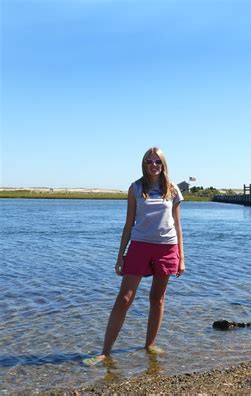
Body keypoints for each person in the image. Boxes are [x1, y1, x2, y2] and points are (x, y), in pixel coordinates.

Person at [84, 147, 184, 365]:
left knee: (157, 298)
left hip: (167, 247)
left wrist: (181, 258)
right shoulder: (136, 188)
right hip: (139, 246)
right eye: (149, 161)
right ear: (144, 164)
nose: (153, 165)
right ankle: (105, 352)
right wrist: (120, 255)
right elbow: (128, 223)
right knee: (124, 298)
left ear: (164, 164)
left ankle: (150, 345)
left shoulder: (173, 190)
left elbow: (177, 224)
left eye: (157, 161)